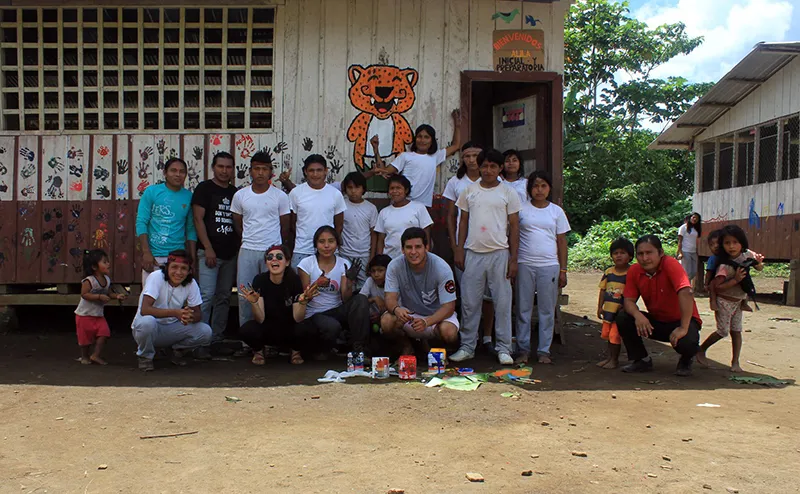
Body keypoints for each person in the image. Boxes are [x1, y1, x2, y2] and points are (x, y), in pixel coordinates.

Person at [450, 149, 521, 365]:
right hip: (473, 253)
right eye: (484, 166)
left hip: (500, 253)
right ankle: (467, 346)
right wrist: (459, 249)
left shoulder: (508, 192)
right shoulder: (469, 191)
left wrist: (514, 258)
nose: (488, 170)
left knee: (502, 303)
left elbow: (515, 226)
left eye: (493, 166)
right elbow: (462, 221)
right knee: (470, 303)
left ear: (500, 168)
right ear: (479, 167)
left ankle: (504, 348)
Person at [617, 235, 702, 377]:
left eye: (649, 253)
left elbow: (686, 292)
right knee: (623, 316)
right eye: (640, 254)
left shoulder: (670, 264)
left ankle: (686, 359)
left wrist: (683, 327)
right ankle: (641, 360)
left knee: (688, 342)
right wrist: (638, 316)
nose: (645, 258)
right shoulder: (635, 270)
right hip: (657, 322)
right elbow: (628, 301)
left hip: (682, 321)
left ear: (661, 253)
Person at [442, 142, 495, 353]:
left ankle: (488, 337)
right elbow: (451, 216)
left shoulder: (495, 181)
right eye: (467, 156)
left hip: (490, 246)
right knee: (467, 295)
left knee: (489, 295)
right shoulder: (456, 182)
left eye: (475, 155)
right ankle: (468, 339)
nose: (471, 160)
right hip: (464, 246)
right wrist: (455, 246)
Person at [515, 171, 570, 364]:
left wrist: (563, 270)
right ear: (529, 189)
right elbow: (512, 236)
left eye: (543, 186)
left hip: (549, 266)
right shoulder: (520, 210)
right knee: (523, 309)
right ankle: (523, 350)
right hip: (524, 263)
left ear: (549, 188)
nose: (539, 190)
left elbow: (562, 242)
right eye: (535, 186)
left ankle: (544, 351)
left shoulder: (556, 211)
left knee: (547, 309)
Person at [231, 152, 291, 326]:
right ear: (250, 171)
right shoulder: (240, 195)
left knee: (271, 294)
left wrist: (276, 248)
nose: (260, 173)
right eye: (256, 168)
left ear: (271, 172)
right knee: (245, 294)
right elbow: (237, 223)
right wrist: (250, 239)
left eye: (265, 169)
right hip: (248, 250)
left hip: (272, 252)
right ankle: (247, 335)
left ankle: (271, 334)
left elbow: (285, 227)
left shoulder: (280, 196)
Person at [237, 245, 321, 366]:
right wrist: (254, 303)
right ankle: (259, 352)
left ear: (287, 262)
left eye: (279, 257)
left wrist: (303, 302)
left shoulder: (294, 280)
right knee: (247, 329)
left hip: (289, 329)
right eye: (270, 257)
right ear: (266, 263)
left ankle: (295, 352)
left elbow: (298, 318)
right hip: (267, 329)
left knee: (307, 328)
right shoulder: (260, 280)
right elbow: (260, 319)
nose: (274, 259)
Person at [695, 225, 764, 372]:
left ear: (742, 243)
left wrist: (758, 263)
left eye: (735, 242)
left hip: (738, 302)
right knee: (722, 331)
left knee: (736, 331)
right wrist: (735, 280)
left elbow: (759, 267)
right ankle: (701, 349)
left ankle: (735, 362)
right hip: (724, 302)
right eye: (727, 243)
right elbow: (717, 287)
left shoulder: (746, 254)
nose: (731, 246)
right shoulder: (723, 265)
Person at [381, 227, 459, 355]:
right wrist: (396, 309)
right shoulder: (394, 266)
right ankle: (407, 346)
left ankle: (435, 350)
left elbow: (449, 307)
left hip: (436, 317)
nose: (413, 252)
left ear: (426, 248)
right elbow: (390, 298)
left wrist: (427, 321)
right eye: (408, 247)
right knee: (386, 322)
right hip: (409, 316)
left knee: (449, 332)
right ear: (402, 249)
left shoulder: (441, 268)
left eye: (418, 247)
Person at [131, 250, 212, 371]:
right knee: (147, 322)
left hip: (171, 329)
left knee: (205, 331)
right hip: (149, 328)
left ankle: (176, 351)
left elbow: (198, 314)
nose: (178, 272)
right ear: (167, 267)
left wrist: (188, 316)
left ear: (189, 271)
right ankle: (145, 356)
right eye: (174, 267)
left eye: (183, 268)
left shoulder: (191, 283)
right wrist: (176, 313)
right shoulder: (156, 277)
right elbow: (145, 310)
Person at [296, 226, 370, 355]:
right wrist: (316, 284)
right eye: (322, 242)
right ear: (316, 244)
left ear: (337, 244)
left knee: (361, 299)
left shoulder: (343, 263)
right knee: (332, 326)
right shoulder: (306, 263)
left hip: (336, 310)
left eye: (331, 241)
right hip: (315, 314)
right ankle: (324, 349)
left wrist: (350, 282)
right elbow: (305, 298)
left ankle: (359, 349)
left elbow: (345, 298)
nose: (326, 246)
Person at [191, 151, 238, 353]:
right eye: (220, 166)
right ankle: (198, 341)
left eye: (228, 167)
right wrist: (208, 247)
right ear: (213, 167)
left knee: (224, 297)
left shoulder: (235, 192)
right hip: (209, 253)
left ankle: (216, 339)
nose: (224, 171)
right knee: (206, 296)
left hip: (230, 254)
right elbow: (198, 219)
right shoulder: (204, 189)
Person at [372, 110, 461, 207]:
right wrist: (375, 149)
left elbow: (456, 145)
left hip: (422, 206)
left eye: (426, 137)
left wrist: (457, 125)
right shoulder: (405, 156)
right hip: (403, 204)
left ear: (432, 141)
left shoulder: (435, 156)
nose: (422, 140)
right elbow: (385, 171)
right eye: (419, 136)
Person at [136, 158, 197, 285]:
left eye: (182, 171)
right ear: (165, 173)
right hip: (154, 256)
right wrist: (146, 252)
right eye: (173, 170)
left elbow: (191, 229)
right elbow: (141, 222)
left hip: (178, 257)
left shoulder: (189, 196)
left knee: (176, 295)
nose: (178, 174)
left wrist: (192, 259)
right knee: (151, 294)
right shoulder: (152, 192)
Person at [289, 155, 347, 269]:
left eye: (319, 170)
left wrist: (329, 243)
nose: (315, 174)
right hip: (302, 250)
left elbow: (339, 225)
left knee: (329, 281)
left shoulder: (335, 194)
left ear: (326, 171)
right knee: (300, 281)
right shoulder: (295, 193)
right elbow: (292, 223)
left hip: (328, 251)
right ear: (305, 172)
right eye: (311, 170)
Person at [74, 249, 126, 365]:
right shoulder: (89, 281)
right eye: (104, 262)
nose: (108, 264)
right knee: (85, 339)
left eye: (107, 262)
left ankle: (95, 355)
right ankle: (84, 356)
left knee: (104, 333)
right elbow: (84, 294)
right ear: (94, 267)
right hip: (84, 315)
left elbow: (108, 293)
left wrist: (117, 296)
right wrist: (99, 297)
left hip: (98, 315)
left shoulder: (106, 280)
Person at [595, 238, 633, 370]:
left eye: (622, 253)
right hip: (608, 311)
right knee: (608, 335)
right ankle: (609, 358)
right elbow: (602, 290)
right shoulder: (608, 272)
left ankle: (614, 360)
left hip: (620, 312)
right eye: (615, 253)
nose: (618, 256)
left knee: (614, 336)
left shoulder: (631, 273)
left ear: (630, 256)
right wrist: (600, 307)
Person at [375, 175, 433, 259]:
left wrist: (426, 255)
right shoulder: (384, 212)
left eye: (398, 188)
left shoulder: (419, 208)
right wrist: (379, 259)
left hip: (414, 257)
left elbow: (427, 234)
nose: (395, 191)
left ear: (406, 190)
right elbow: (381, 240)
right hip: (390, 258)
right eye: (392, 188)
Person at [340, 171, 378, 289]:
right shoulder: (341, 205)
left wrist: (372, 257)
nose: (353, 191)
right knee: (345, 286)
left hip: (364, 255)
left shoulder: (371, 208)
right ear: (345, 189)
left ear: (363, 188)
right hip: (344, 254)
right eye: (350, 187)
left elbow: (374, 234)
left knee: (364, 287)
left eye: (357, 187)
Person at [361, 254, 392, 326]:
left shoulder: (394, 284)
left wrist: (381, 315)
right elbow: (359, 302)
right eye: (373, 271)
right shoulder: (370, 281)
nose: (376, 274)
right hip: (371, 318)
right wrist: (374, 299)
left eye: (380, 270)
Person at [677, 213, 702, 285]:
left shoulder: (695, 229)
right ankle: (686, 288)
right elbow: (680, 241)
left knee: (694, 272)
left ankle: (683, 284)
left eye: (697, 218)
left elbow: (696, 241)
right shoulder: (683, 227)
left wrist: (697, 252)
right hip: (685, 251)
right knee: (687, 272)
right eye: (693, 217)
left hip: (693, 252)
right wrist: (680, 252)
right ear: (690, 218)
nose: (695, 219)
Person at [704, 229, 723, 311]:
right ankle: (713, 301)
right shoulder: (713, 259)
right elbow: (709, 272)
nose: (715, 246)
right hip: (715, 279)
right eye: (712, 245)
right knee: (712, 287)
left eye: (718, 243)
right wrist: (706, 283)